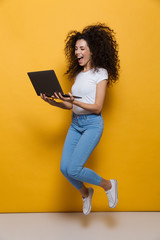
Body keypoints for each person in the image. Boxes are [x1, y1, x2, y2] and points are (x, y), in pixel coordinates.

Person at [40, 23, 120, 215]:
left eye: (82, 48)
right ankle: (86, 193)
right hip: (75, 124)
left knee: (74, 168)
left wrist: (76, 101)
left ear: (92, 50)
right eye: (76, 49)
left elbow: (97, 106)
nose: (78, 52)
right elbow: (71, 106)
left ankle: (108, 185)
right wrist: (55, 102)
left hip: (92, 125)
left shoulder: (100, 73)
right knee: (65, 168)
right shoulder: (78, 75)